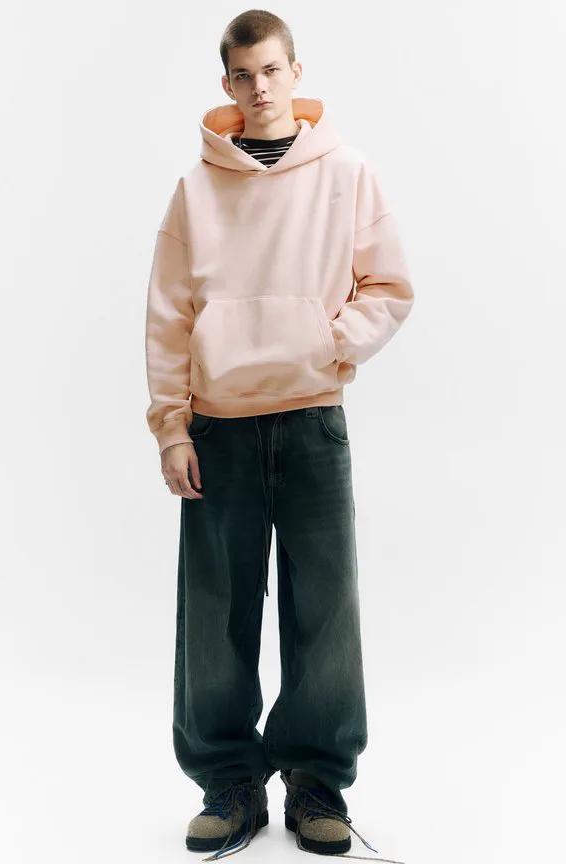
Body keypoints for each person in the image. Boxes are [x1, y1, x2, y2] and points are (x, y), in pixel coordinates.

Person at [144, 9, 414, 862]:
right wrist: (172, 428)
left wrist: (326, 344)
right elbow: (167, 317)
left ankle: (317, 781)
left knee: (325, 609)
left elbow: (388, 287)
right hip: (218, 427)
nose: (259, 88)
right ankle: (229, 782)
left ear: (297, 72)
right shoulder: (196, 189)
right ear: (226, 85)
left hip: (311, 420)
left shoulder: (348, 172)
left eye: (271, 70)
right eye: (243, 75)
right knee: (215, 612)